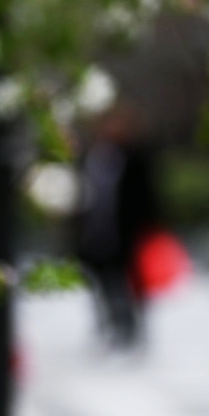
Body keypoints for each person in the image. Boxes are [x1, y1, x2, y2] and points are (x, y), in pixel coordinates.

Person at [73, 105, 159, 349]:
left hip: (126, 234)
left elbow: (148, 198)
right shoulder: (93, 157)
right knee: (100, 281)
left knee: (128, 283)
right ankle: (109, 324)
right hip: (96, 233)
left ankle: (129, 328)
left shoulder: (136, 158)